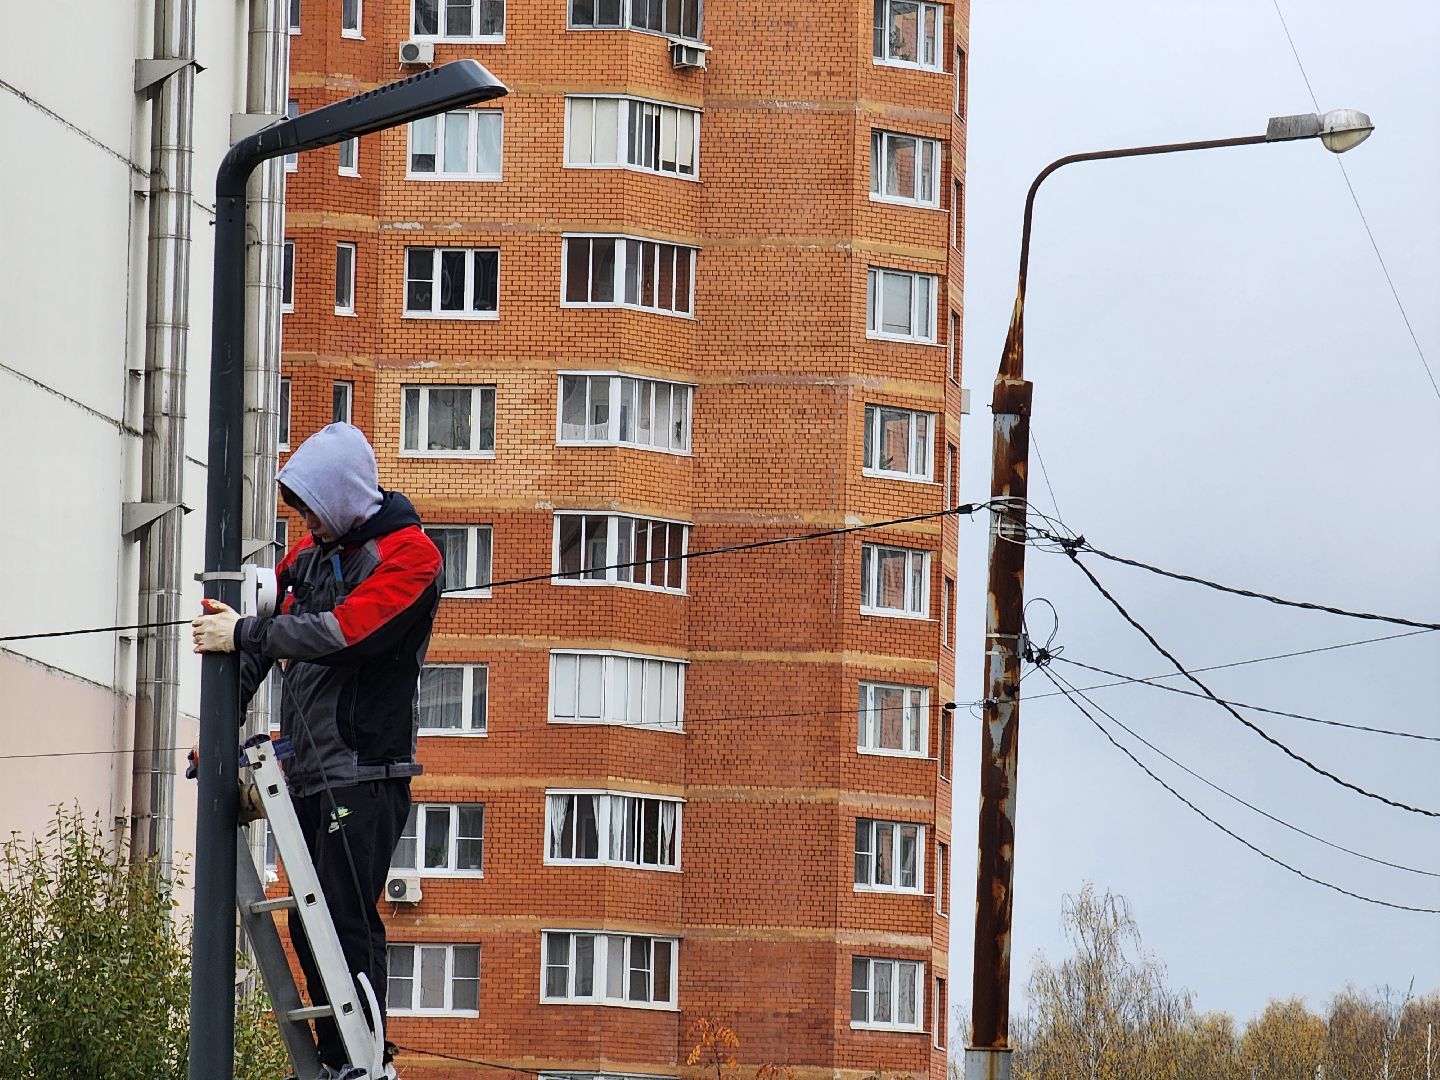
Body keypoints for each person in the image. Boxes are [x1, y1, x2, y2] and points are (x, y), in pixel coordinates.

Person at [192, 422, 442, 1079]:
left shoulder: (410, 556)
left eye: (311, 507)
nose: (305, 522)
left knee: (344, 916)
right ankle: (337, 1060)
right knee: (309, 923)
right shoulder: (306, 557)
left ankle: (366, 1057)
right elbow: (255, 642)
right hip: (306, 767)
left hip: (365, 769)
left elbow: (346, 633)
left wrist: (248, 632)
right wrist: (218, 730)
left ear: (342, 496)